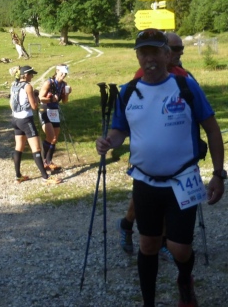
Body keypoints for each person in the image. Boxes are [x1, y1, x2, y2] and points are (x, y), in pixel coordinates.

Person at [96, 28, 225, 307]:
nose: (149, 58)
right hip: (145, 181)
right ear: (137, 57)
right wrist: (109, 141)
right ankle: (149, 303)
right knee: (148, 245)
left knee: (180, 248)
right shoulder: (128, 92)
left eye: (155, 51)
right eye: (143, 53)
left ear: (167, 55)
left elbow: (213, 130)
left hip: (183, 179)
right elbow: (120, 130)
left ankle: (184, 281)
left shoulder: (186, 86)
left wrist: (218, 173)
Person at [117, 32, 192, 259]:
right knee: (148, 195)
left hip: (181, 163)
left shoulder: (184, 75)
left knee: (172, 205)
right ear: (166, 51)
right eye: (176, 49)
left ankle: (168, 242)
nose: (179, 53)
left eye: (181, 49)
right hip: (148, 159)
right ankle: (129, 225)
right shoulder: (143, 75)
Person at [10, 65, 61, 185]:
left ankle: (18, 176)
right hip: (26, 120)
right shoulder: (28, 86)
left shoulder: (14, 85)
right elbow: (34, 106)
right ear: (25, 75)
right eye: (31, 74)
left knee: (19, 147)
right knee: (36, 149)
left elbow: (12, 103)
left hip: (15, 119)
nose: (32, 76)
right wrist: (36, 97)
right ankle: (45, 177)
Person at [38, 64, 71, 171]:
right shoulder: (49, 83)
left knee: (55, 138)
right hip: (45, 109)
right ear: (57, 71)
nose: (63, 75)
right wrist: (52, 99)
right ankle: (43, 161)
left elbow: (64, 101)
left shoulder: (64, 85)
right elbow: (40, 98)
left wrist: (67, 94)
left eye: (65, 73)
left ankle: (49, 161)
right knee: (50, 136)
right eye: (62, 72)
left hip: (55, 111)